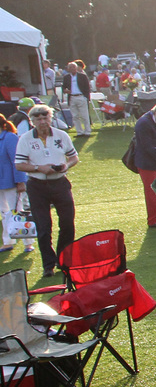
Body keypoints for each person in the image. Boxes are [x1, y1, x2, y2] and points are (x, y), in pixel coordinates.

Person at [14, 105, 77, 277]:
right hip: (37, 185)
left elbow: (73, 157)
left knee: (67, 223)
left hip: (60, 183)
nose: (42, 122)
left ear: (50, 118)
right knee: (43, 226)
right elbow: (19, 164)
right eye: (38, 119)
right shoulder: (26, 139)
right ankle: (48, 265)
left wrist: (66, 165)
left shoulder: (61, 135)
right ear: (32, 121)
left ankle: (65, 261)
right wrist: (38, 168)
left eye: (45, 118)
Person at [0, 117, 30, 254]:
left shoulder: (10, 138)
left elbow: (17, 161)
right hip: (2, 183)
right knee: (4, 212)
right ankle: (7, 241)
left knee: (17, 211)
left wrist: (20, 181)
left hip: (10, 181)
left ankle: (27, 242)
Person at [65, 60, 93, 137]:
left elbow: (87, 88)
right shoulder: (66, 77)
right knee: (75, 116)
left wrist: (86, 98)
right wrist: (65, 90)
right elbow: (64, 87)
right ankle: (79, 132)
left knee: (84, 115)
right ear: (68, 69)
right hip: (72, 97)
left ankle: (87, 131)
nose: (72, 69)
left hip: (81, 96)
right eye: (70, 68)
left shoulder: (82, 76)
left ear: (76, 68)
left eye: (74, 67)